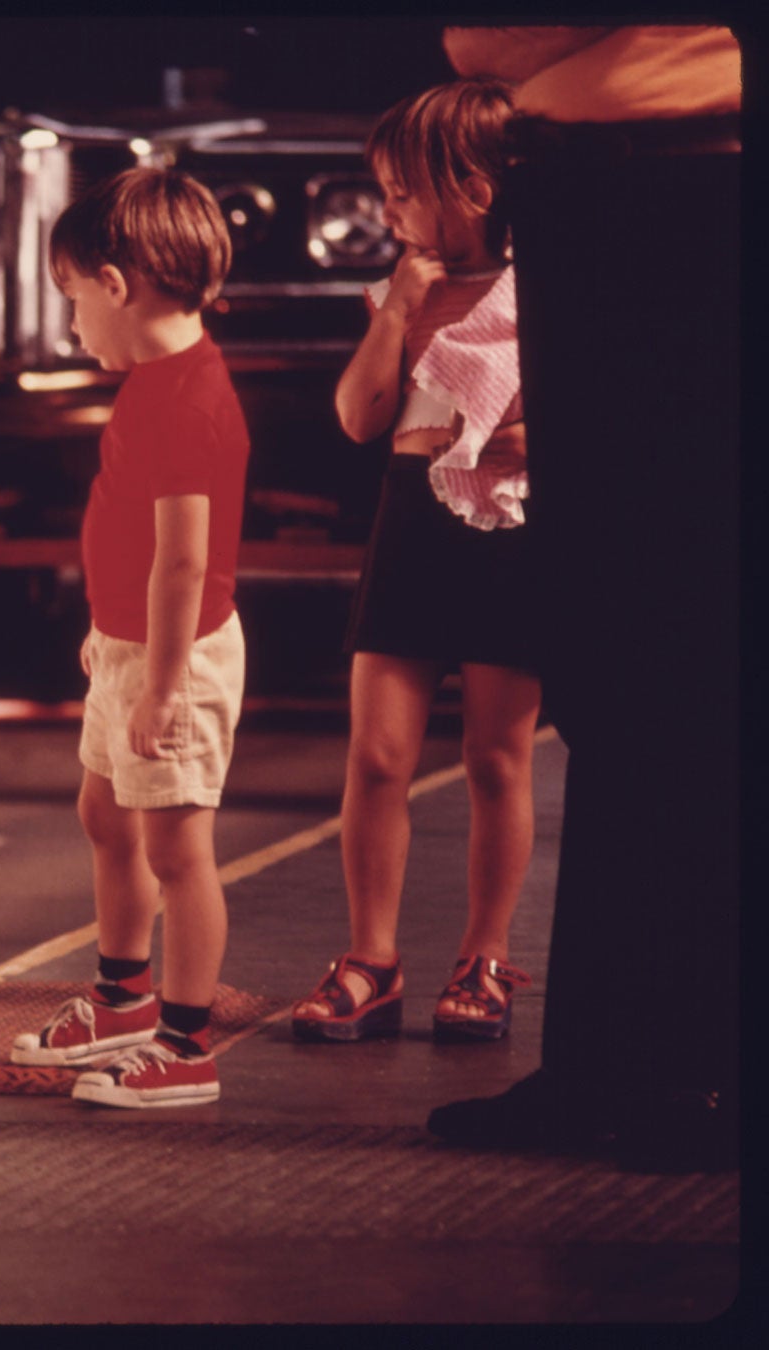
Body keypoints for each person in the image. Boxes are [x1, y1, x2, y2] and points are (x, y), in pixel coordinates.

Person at [429, 26, 739, 1172]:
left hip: (650, 182)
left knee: (631, 661)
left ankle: (631, 1072)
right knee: (671, 656)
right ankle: (660, 1068)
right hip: (660, 175)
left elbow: (500, 32)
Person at [290, 81, 544, 1047]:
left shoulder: (540, 288)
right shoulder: (411, 287)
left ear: (470, 189)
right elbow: (359, 417)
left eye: (401, 191)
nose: (387, 210)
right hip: (408, 523)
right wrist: (395, 311)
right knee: (377, 755)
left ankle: (484, 957)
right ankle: (371, 959)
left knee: (494, 756)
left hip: (506, 531)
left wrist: (534, 441)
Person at [6, 168, 250, 1108]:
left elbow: (184, 563)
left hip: (171, 660)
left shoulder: (188, 399)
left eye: (73, 300)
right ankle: (121, 998)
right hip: (129, 649)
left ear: (117, 283)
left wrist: (157, 683)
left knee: (179, 851)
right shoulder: (156, 382)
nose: (73, 326)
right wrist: (111, 647)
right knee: (106, 819)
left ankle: (185, 1046)